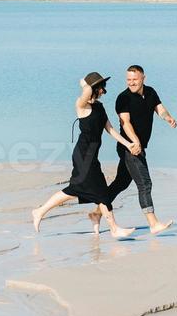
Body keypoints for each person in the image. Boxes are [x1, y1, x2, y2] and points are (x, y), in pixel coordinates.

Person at [32, 72, 140, 239]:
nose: (104, 91)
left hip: (92, 155)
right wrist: (86, 83)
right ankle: (113, 228)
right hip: (83, 155)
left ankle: (41, 211)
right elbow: (86, 89)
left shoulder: (99, 107)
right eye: (102, 87)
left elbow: (110, 129)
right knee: (98, 192)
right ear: (95, 88)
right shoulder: (81, 105)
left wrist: (128, 144)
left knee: (79, 190)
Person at [106, 65, 177, 235]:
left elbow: (159, 108)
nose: (131, 83)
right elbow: (125, 123)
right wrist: (135, 142)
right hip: (129, 147)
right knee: (145, 183)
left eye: (135, 79)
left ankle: (97, 211)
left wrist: (168, 117)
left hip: (139, 146)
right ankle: (153, 223)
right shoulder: (123, 98)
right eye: (128, 80)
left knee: (121, 183)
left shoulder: (151, 92)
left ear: (143, 78)